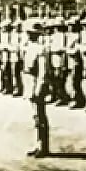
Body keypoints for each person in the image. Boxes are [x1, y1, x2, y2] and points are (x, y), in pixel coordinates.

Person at [23, 19, 51, 157]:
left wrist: (39, 87)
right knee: (35, 116)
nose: (29, 35)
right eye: (29, 33)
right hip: (29, 81)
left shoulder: (41, 49)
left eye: (32, 33)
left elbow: (43, 71)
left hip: (36, 83)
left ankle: (43, 147)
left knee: (40, 116)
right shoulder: (28, 47)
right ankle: (37, 144)